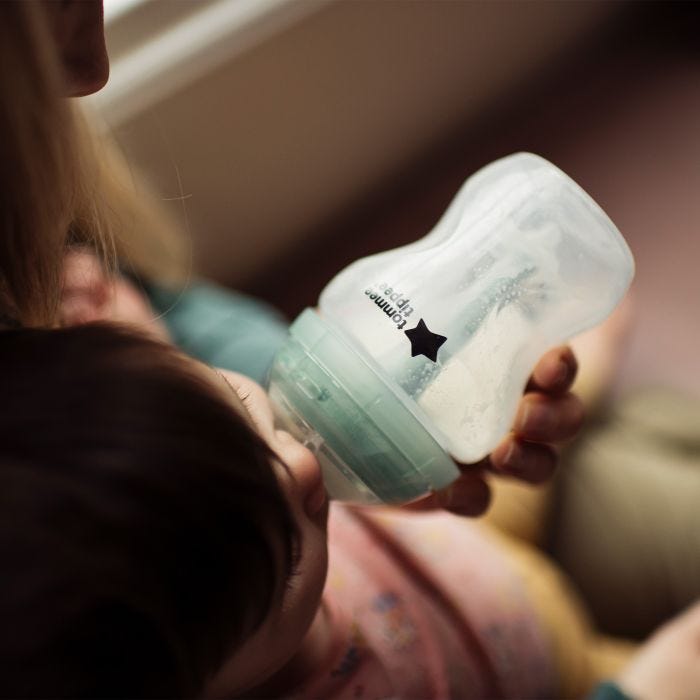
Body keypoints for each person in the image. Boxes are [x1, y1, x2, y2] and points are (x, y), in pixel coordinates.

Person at [0, 322, 631, 698]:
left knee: (511, 409)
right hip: (553, 666)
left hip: (444, 543)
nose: (302, 466)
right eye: (285, 548)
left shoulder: (167, 472)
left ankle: (586, 350)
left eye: (234, 407)